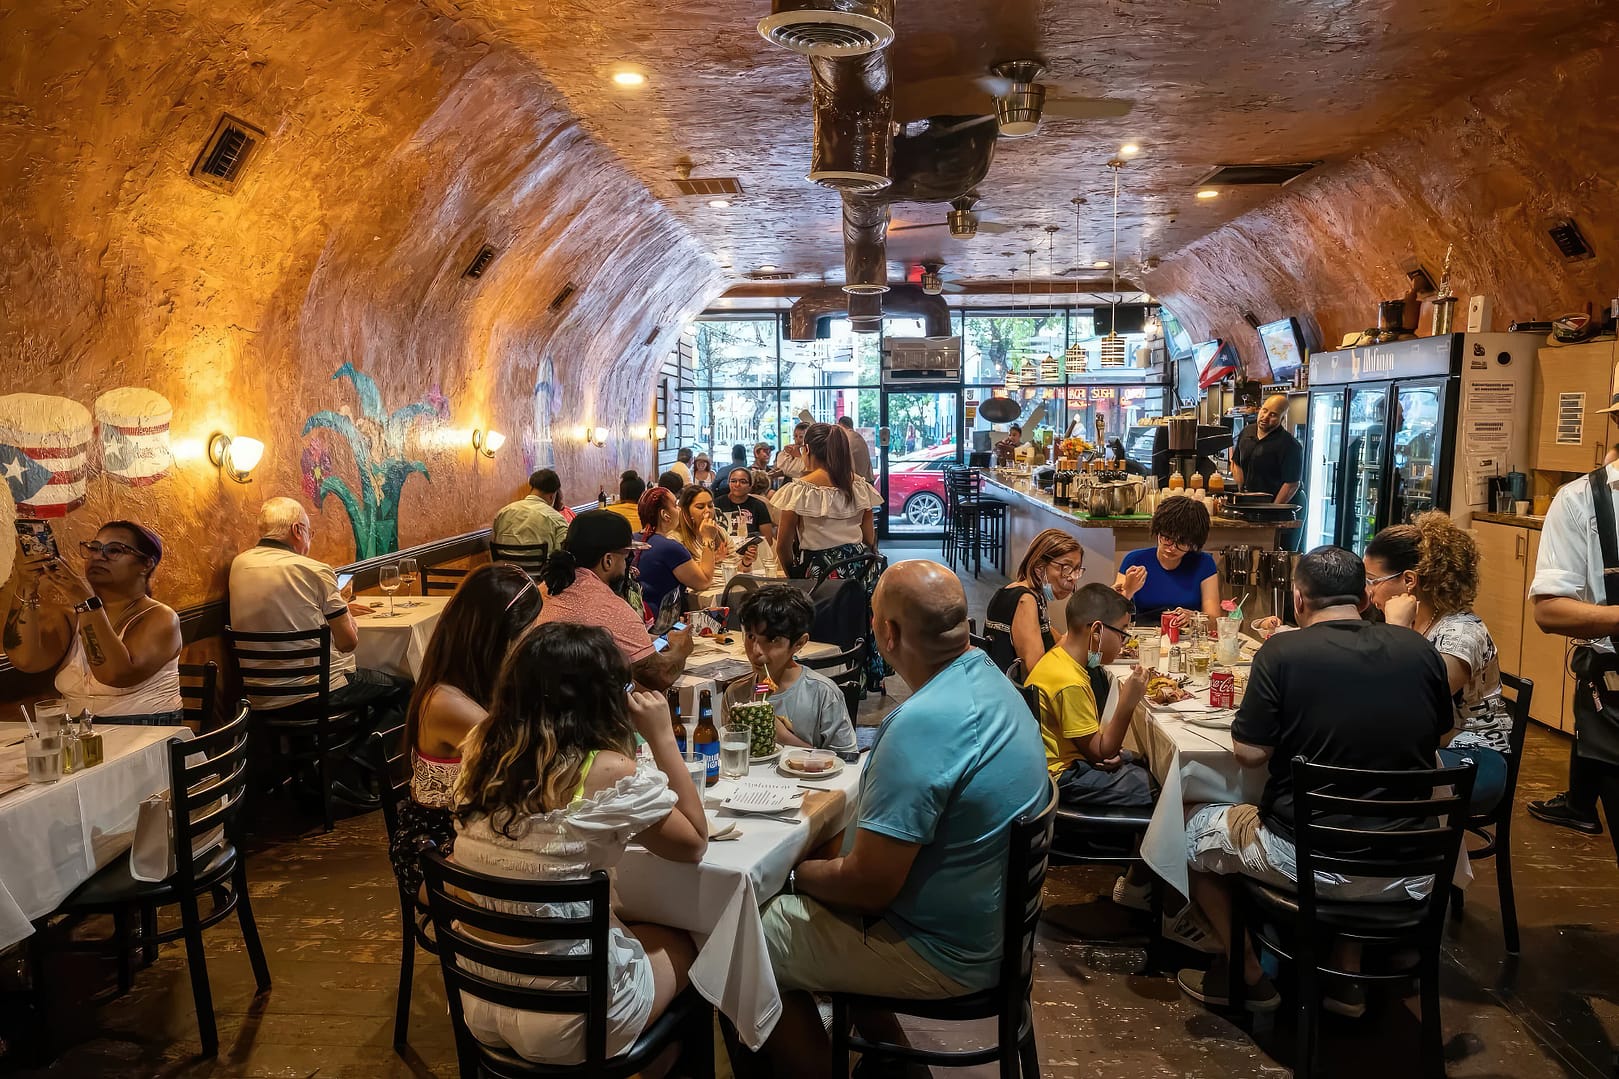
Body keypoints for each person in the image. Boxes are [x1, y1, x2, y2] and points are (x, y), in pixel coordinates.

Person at [757, 561, 1048, 1079]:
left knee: (747, 938)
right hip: (992, 931)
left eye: (873, 618)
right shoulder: (993, 682)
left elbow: (869, 887)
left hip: (945, 951)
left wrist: (792, 874)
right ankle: (894, 1058)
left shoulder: (920, 724)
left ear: (888, 633)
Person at [1175, 546, 1452, 1015]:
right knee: (1360, 819)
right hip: (1408, 865)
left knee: (1187, 826)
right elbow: (1441, 733)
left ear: (1299, 600)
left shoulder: (1283, 651)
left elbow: (1248, 754)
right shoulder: (1421, 650)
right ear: (1364, 599)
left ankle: (1246, 971)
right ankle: (1346, 974)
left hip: (1308, 861)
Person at [450, 622, 707, 1066]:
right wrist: (663, 736)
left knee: (625, 927)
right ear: (605, 698)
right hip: (571, 1021)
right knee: (694, 942)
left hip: (481, 996)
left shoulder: (481, 751)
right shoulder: (607, 772)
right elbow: (694, 843)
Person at [228, 498, 409, 786]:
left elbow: (285, 612)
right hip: (317, 694)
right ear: (298, 530)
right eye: (310, 533)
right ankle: (352, 772)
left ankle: (329, 771)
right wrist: (343, 613)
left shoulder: (239, 565)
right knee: (406, 690)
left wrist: (338, 607)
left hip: (260, 697)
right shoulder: (314, 569)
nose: (309, 540)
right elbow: (348, 642)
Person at [388, 563, 541, 897]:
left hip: (473, 830)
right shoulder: (447, 702)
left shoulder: (478, 681)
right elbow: (526, 759)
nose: (531, 647)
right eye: (529, 635)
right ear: (500, 637)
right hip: (435, 851)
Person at [1364, 514, 1513, 813]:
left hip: (1475, 757)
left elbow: (1413, 706)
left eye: (1372, 581)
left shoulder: (1461, 635)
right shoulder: (1415, 622)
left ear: (1409, 580)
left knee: (1366, 779)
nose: (1368, 592)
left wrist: (1396, 633)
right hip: (1426, 748)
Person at [1025, 583, 1156, 910]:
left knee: (1143, 760)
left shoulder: (1060, 659)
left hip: (1064, 763)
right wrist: (1128, 702)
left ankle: (1143, 876)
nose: (1126, 642)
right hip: (1063, 779)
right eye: (1123, 632)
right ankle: (1141, 886)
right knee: (1167, 788)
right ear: (1097, 630)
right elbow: (1102, 751)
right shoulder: (1069, 680)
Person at [1529, 406, 1619, 863]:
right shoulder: (1582, 500)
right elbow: (1550, 611)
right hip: (1614, 695)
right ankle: (1580, 804)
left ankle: (1579, 804)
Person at [5, 520, 183, 724]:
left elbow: (115, 675)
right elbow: (26, 661)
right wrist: (27, 585)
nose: (98, 556)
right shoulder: (70, 617)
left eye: (114, 550)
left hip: (148, 738)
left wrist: (85, 601)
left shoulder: (161, 617)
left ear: (146, 564)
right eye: (94, 548)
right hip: (80, 736)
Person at [773, 422, 885, 688]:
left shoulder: (800, 488)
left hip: (820, 572)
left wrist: (796, 578)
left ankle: (820, 677)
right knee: (857, 619)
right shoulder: (859, 485)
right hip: (861, 570)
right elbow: (870, 540)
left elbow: (783, 546)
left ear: (808, 449)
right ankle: (860, 673)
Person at [536, 509, 693, 690]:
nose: (630, 567)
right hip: (586, 712)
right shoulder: (609, 606)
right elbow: (659, 676)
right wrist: (681, 649)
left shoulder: (545, 588)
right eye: (626, 558)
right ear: (608, 560)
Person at [736, 585, 856, 752]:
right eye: (751, 636)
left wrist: (783, 737)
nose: (756, 651)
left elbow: (846, 760)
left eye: (772, 640)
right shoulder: (736, 694)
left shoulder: (822, 694)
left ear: (799, 643)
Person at [983, 529, 1084, 676]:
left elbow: (1058, 641)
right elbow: (1035, 670)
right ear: (1039, 568)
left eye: (1076, 569)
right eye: (1065, 568)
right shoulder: (1025, 600)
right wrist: (1081, 627)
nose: (1072, 577)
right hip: (1016, 694)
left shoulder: (1034, 595)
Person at [1115, 497, 1222, 625]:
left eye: (1181, 542)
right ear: (1158, 532)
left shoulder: (1204, 563)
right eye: (1167, 538)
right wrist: (1128, 590)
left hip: (1187, 640)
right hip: (1143, 639)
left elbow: (1214, 620)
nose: (1171, 548)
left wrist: (1194, 618)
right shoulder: (1135, 560)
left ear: (1193, 542)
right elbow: (1112, 615)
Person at [634, 485, 721, 622]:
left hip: (635, 616)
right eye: (675, 505)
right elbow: (703, 582)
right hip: (660, 622)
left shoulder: (631, 540)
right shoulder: (670, 548)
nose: (679, 510)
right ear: (665, 515)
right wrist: (708, 539)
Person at [1232, 394, 1304, 551]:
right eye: (1264, 411)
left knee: (1275, 556)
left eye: (1273, 415)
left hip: (1277, 510)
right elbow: (1236, 462)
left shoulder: (1290, 445)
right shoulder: (1247, 432)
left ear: (1282, 418)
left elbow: (1291, 483)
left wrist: (1272, 510)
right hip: (1250, 508)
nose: (1265, 417)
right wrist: (1240, 490)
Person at [492, 469, 569, 555]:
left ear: (532, 487)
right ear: (552, 496)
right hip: (542, 568)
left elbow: (493, 544)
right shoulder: (556, 519)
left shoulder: (502, 513)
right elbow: (564, 554)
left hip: (504, 568)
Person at [716, 465, 776, 544]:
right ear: (729, 483)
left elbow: (768, 539)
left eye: (743, 482)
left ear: (750, 486)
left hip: (752, 552)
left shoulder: (759, 506)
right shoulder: (717, 503)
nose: (737, 485)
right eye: (733, 481)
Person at [836, 415, 875, 484]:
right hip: (868, 479)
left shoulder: (845, 438)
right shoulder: (858, 437)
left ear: (840, 425)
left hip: (857, 482)